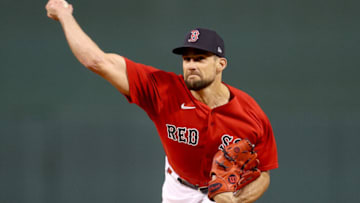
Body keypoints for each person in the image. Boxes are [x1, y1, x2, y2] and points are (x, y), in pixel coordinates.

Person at [45, 0, 278, 202]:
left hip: (224, 194)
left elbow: (264, 174)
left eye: (200, 58)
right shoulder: (162, 89)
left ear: (221, 65)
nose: (191, 65)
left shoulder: (249, 113)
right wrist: (65, 15)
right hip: (178, 189)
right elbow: (97, 61)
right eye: (187, 59)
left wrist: (236, 200)